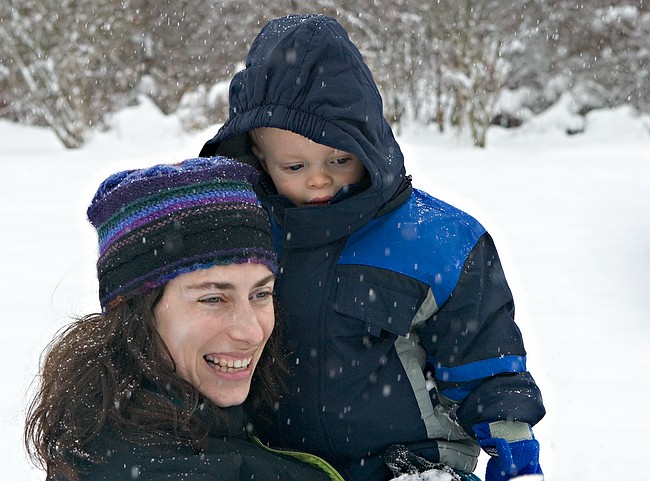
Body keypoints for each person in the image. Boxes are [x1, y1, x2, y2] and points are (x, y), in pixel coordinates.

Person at [198, 14, 546, 481]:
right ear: (259, 154)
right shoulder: (244, 235)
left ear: (369, 141)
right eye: (295, 165)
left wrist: (513, 444)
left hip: (413, 465)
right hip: (277, 463)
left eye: (340, 158)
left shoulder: (433, 240)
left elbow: (484, 357)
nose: (319, 178)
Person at [24, 156, 344, 481]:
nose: (251, 331)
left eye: (260, 294)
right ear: (137, 313)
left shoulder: (139, 422)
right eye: (213, 299)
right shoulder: (160, 469)